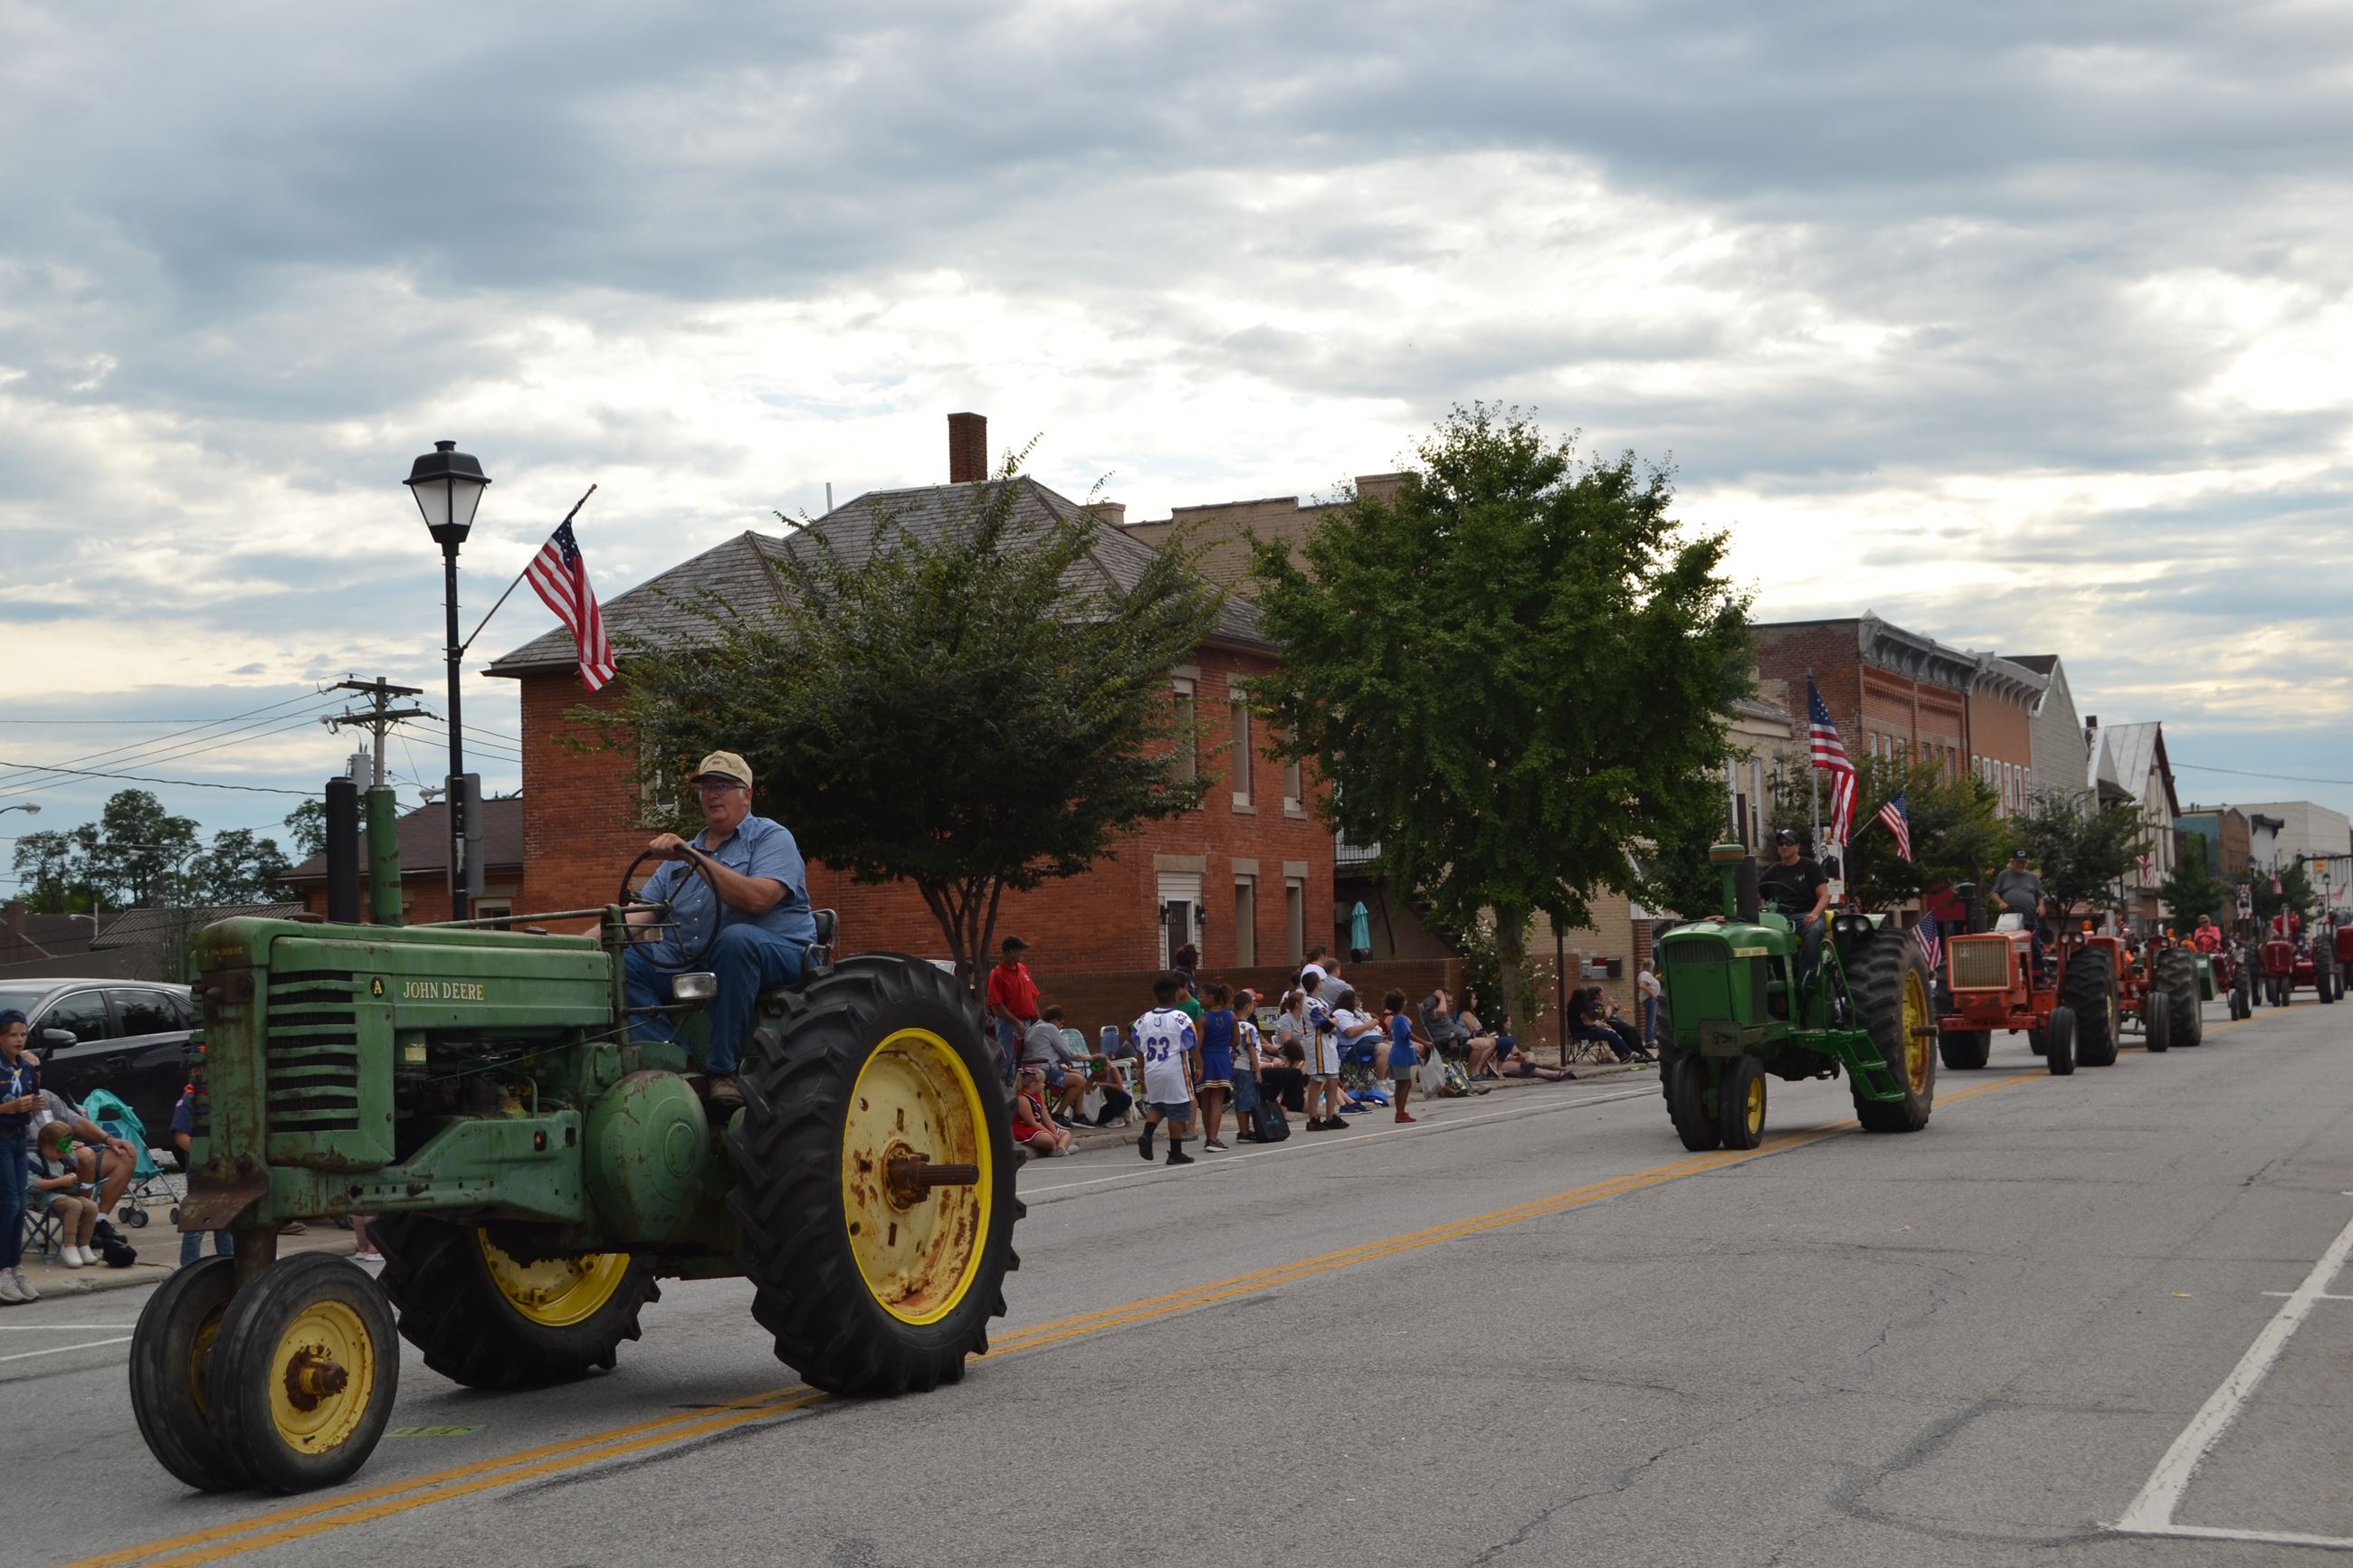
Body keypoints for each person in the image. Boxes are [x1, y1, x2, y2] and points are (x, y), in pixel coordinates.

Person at [624, 751, 819, 1107]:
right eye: (706, 787)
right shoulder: (682, 855)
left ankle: (723, 1070)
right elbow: (635, 917)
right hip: (695, 960)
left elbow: (758, 900)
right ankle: (676, 1063)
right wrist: (577, 946)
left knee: (735, 940)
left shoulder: (771, 838)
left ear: (747, 794)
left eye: (724, 786)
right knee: (620, 962)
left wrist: (694, 859)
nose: (713, 794)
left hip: (777, 951)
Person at [1134, 973, 1198, 1165]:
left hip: (1152, 1069)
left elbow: (1137, 1044)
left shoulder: (1143, 1019)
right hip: (1174, 1070)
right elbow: (1192, 1044)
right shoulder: (1181, 1018)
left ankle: (1147, 1133)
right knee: (1177, 1111)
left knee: (1159, 1106)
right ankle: (1176, 1152)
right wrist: (1200, 1066)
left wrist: (1140, 1067)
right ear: (1176, 994)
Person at [167, 1085, 233, 1267]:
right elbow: (181, 1137)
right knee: (198, 1221)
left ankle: (228, 1262)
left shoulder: (225, 1097)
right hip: (201, 1172)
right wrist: (206, 1159)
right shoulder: (190, 1099)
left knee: (225, 1219)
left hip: (225, 1168)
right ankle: (189, 1266)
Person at [1758, 828, 1834, 982]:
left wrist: (1814, 914)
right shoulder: (1773, 871)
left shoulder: (1810, 867)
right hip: (1779, 918)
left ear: (1797, 846)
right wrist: (1733, 913)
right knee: (1759, 936)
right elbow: (1754, 895)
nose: (1784, 847)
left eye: (1788, 843)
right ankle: (1775, 978)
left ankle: (1807, 979)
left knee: (1813, 931)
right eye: (1781, 844)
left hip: (1805, 914)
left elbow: (1825, 896)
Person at [1, 1010, 39, 1303]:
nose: (19, 1040)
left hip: (19, 1139)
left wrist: (31, 1104)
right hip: (1, 1138)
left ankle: (15, 1267)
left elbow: (30, 1100)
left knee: (21, 1205)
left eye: (23, 1034)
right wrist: (11, 1107)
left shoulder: (25, 1067)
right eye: (13, 1034)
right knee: (9, 1204)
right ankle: (2, 1270)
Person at [29, 1121, 100, 1268]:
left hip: (63, 1194)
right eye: (59, 1151)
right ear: (45, 1145)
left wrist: (72, 1178)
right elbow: (33, 1184)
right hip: (42, 1198)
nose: (62, 1154)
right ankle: (69, 1245)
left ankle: (83, 1245)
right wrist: (60, 1181)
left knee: (92, 1206)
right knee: (73, 1205)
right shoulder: (34, 1159)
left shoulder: (62, 1160)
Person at [986, 936, 1043, 1088]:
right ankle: (1006, 1090)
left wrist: (1037, 1017)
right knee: (1008, 1060)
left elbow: (1032, 994)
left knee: (1025, 1060)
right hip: (1009, 1025)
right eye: (1019, 951)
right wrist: (1017, 1024)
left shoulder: (1022, 969)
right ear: (1010, 952)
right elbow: (997, 1005)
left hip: (1027, 1022)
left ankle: (1022, 1091)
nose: (1021, 954)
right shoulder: (997, 974)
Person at [1195, 984, 1237, 1150]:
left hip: (1206, 1059)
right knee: (1217, 1101)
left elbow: (1198, 1044)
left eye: (1202, 995)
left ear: (1212, 997)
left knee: (1206, 1101)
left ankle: (1209, 1138)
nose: (1199, 999)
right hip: (1222, 1058)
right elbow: (1236, 1041)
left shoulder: (1203, 1019)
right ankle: (1213, 1138)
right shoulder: (1231, 1016)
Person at [1381, 990, 1430, 1124]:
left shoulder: (1396, 1019)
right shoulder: (1401, 1019)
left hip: (1398, 1055)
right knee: (1404, 1084)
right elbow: (1408, 1035)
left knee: (1402, 1084)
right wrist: (1424, 1042)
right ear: (1402, 1004)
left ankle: (1400, 1111)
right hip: (1400, 1057)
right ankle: (1400, 1112)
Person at [1009, 1068, 1074, 1158]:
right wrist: (1052, 1136)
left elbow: (1045, 1115)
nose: (1044, 1085)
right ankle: (1057, 1148)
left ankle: (1060, 1149)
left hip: (1038, 1127)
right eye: (1042, 1083)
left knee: (1066, 1134)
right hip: (1025, 1128)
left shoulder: (1038, 1095)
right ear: (1034, 1084)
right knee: (1048, 1139)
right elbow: (1031, 1122)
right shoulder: (1022, 1098)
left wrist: (1054, 1132)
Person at [1636, 961, 1662, 1050]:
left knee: (1651, 1019)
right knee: (1651, 1020)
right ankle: (1649, 1041)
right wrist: (1652, 993)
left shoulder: (1645, 974)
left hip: (1649, 999)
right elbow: (1642, 985)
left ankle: (1649, 1040)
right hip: (1649, 999)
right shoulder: (1645, 974)